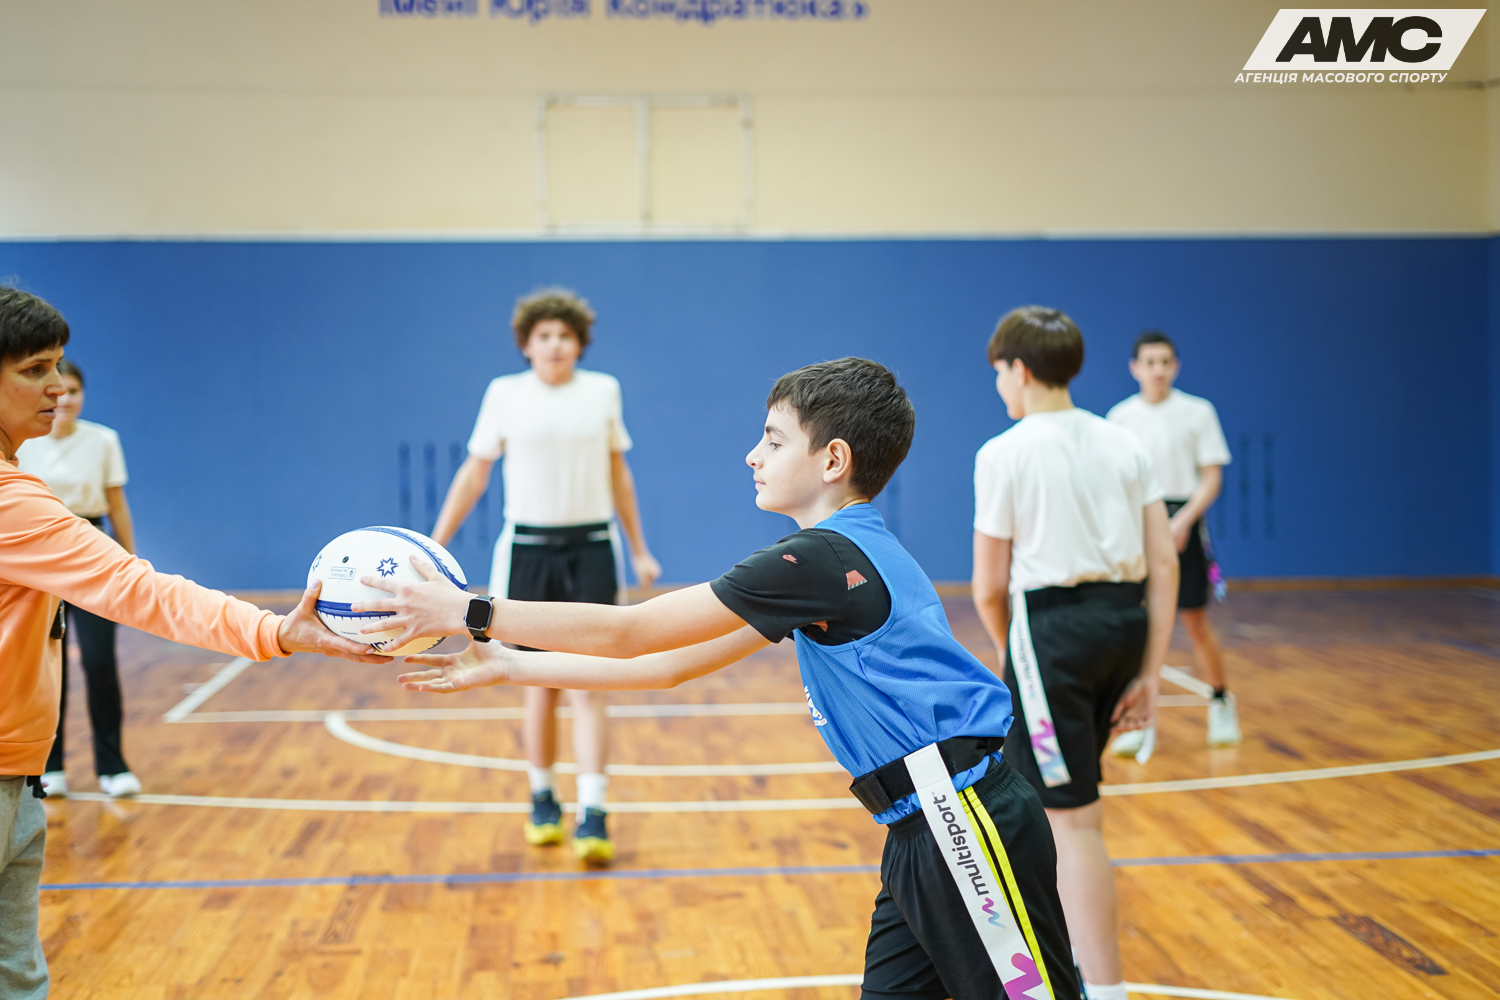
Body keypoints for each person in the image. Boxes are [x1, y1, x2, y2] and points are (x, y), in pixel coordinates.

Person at [362, 357, 1082, 1000]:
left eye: (773, 440)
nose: (752, 455)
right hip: (919, 828)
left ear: (833, 459)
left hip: (962, 818)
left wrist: (471, 611)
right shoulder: (833, 557)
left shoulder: (817, 561)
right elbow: (667, 666)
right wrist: (511, 663)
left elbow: (633, 630)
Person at [0, 286, 387, 1000]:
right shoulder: (12, 502)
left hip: (17, 778)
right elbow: (139, 590)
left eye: (58, 365)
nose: (58, 387)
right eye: (34, 370)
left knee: (18, 980)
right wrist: (274, 630)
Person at [969, 307, 1178, 1000]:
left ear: (1020, 370)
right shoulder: (1124, 442)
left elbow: (988, 586)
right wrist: (1149, 673)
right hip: (1124, 625)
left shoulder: (1004, 452)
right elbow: (1164, 563)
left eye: (999, 371)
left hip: (1051, 634)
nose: (998, 384)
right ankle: (1066, 971)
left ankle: (1104, 990)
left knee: (1072, 822)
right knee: (1062, 811)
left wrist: (1018, 657)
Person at [429, 288, 660, 865]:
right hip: (526, 551)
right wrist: (435, 544)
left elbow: (620, 474)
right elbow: (474, 474)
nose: (555, 345)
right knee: (535, 681)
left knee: (589, 683)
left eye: (565, 336)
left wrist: (640, 549)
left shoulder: (603, 391)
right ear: (526, 345)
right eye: (544, 336)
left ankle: (594, 810)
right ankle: (542, 799)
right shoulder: (504, 394)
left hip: (592, 548)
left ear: (579, 344)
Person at [1106, 330, 1238, 751]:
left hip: (1184, 521)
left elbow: (1212, 478)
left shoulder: (1198, 412)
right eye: (1150, 362)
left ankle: (1221, 700)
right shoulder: (1120, 418)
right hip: (1139, 522)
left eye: (1165, 362)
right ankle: (1139, 718)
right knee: (1139, 622)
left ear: (1175, 366)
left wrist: (1180, 523)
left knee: (1194, 620)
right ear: (1135, 368)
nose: (1158, 370)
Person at [18, 359, 142, 798]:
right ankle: (50, 766)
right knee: (48, 668)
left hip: (91, 548)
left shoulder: (103, 440)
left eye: (74, 391)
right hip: (37, 553)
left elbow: (116, 505)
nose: (65, 399)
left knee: (99, 661)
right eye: (59, 390)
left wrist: (129, 561)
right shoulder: (24, 441)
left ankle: (113, 765)